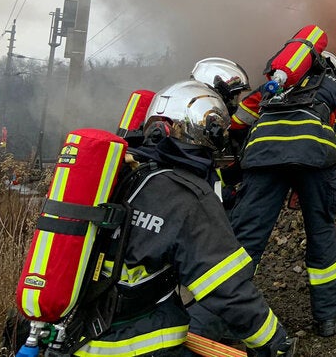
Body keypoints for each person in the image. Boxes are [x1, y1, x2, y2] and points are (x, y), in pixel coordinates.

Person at [79, 79, 297, 357]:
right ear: (206, 133)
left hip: (72, 334)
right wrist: (275, 343)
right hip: (131, 345)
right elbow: (228, 290)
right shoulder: (187, 197)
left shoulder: (122, 173)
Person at [228, 42, 336, 338]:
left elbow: (238, 121)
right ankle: (326, 320)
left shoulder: (275, 84)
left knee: (247, 235)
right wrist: (312, 176)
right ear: (333, 69)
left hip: (263, 156)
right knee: (321, 234)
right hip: (314, 159)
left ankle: (223, 318)